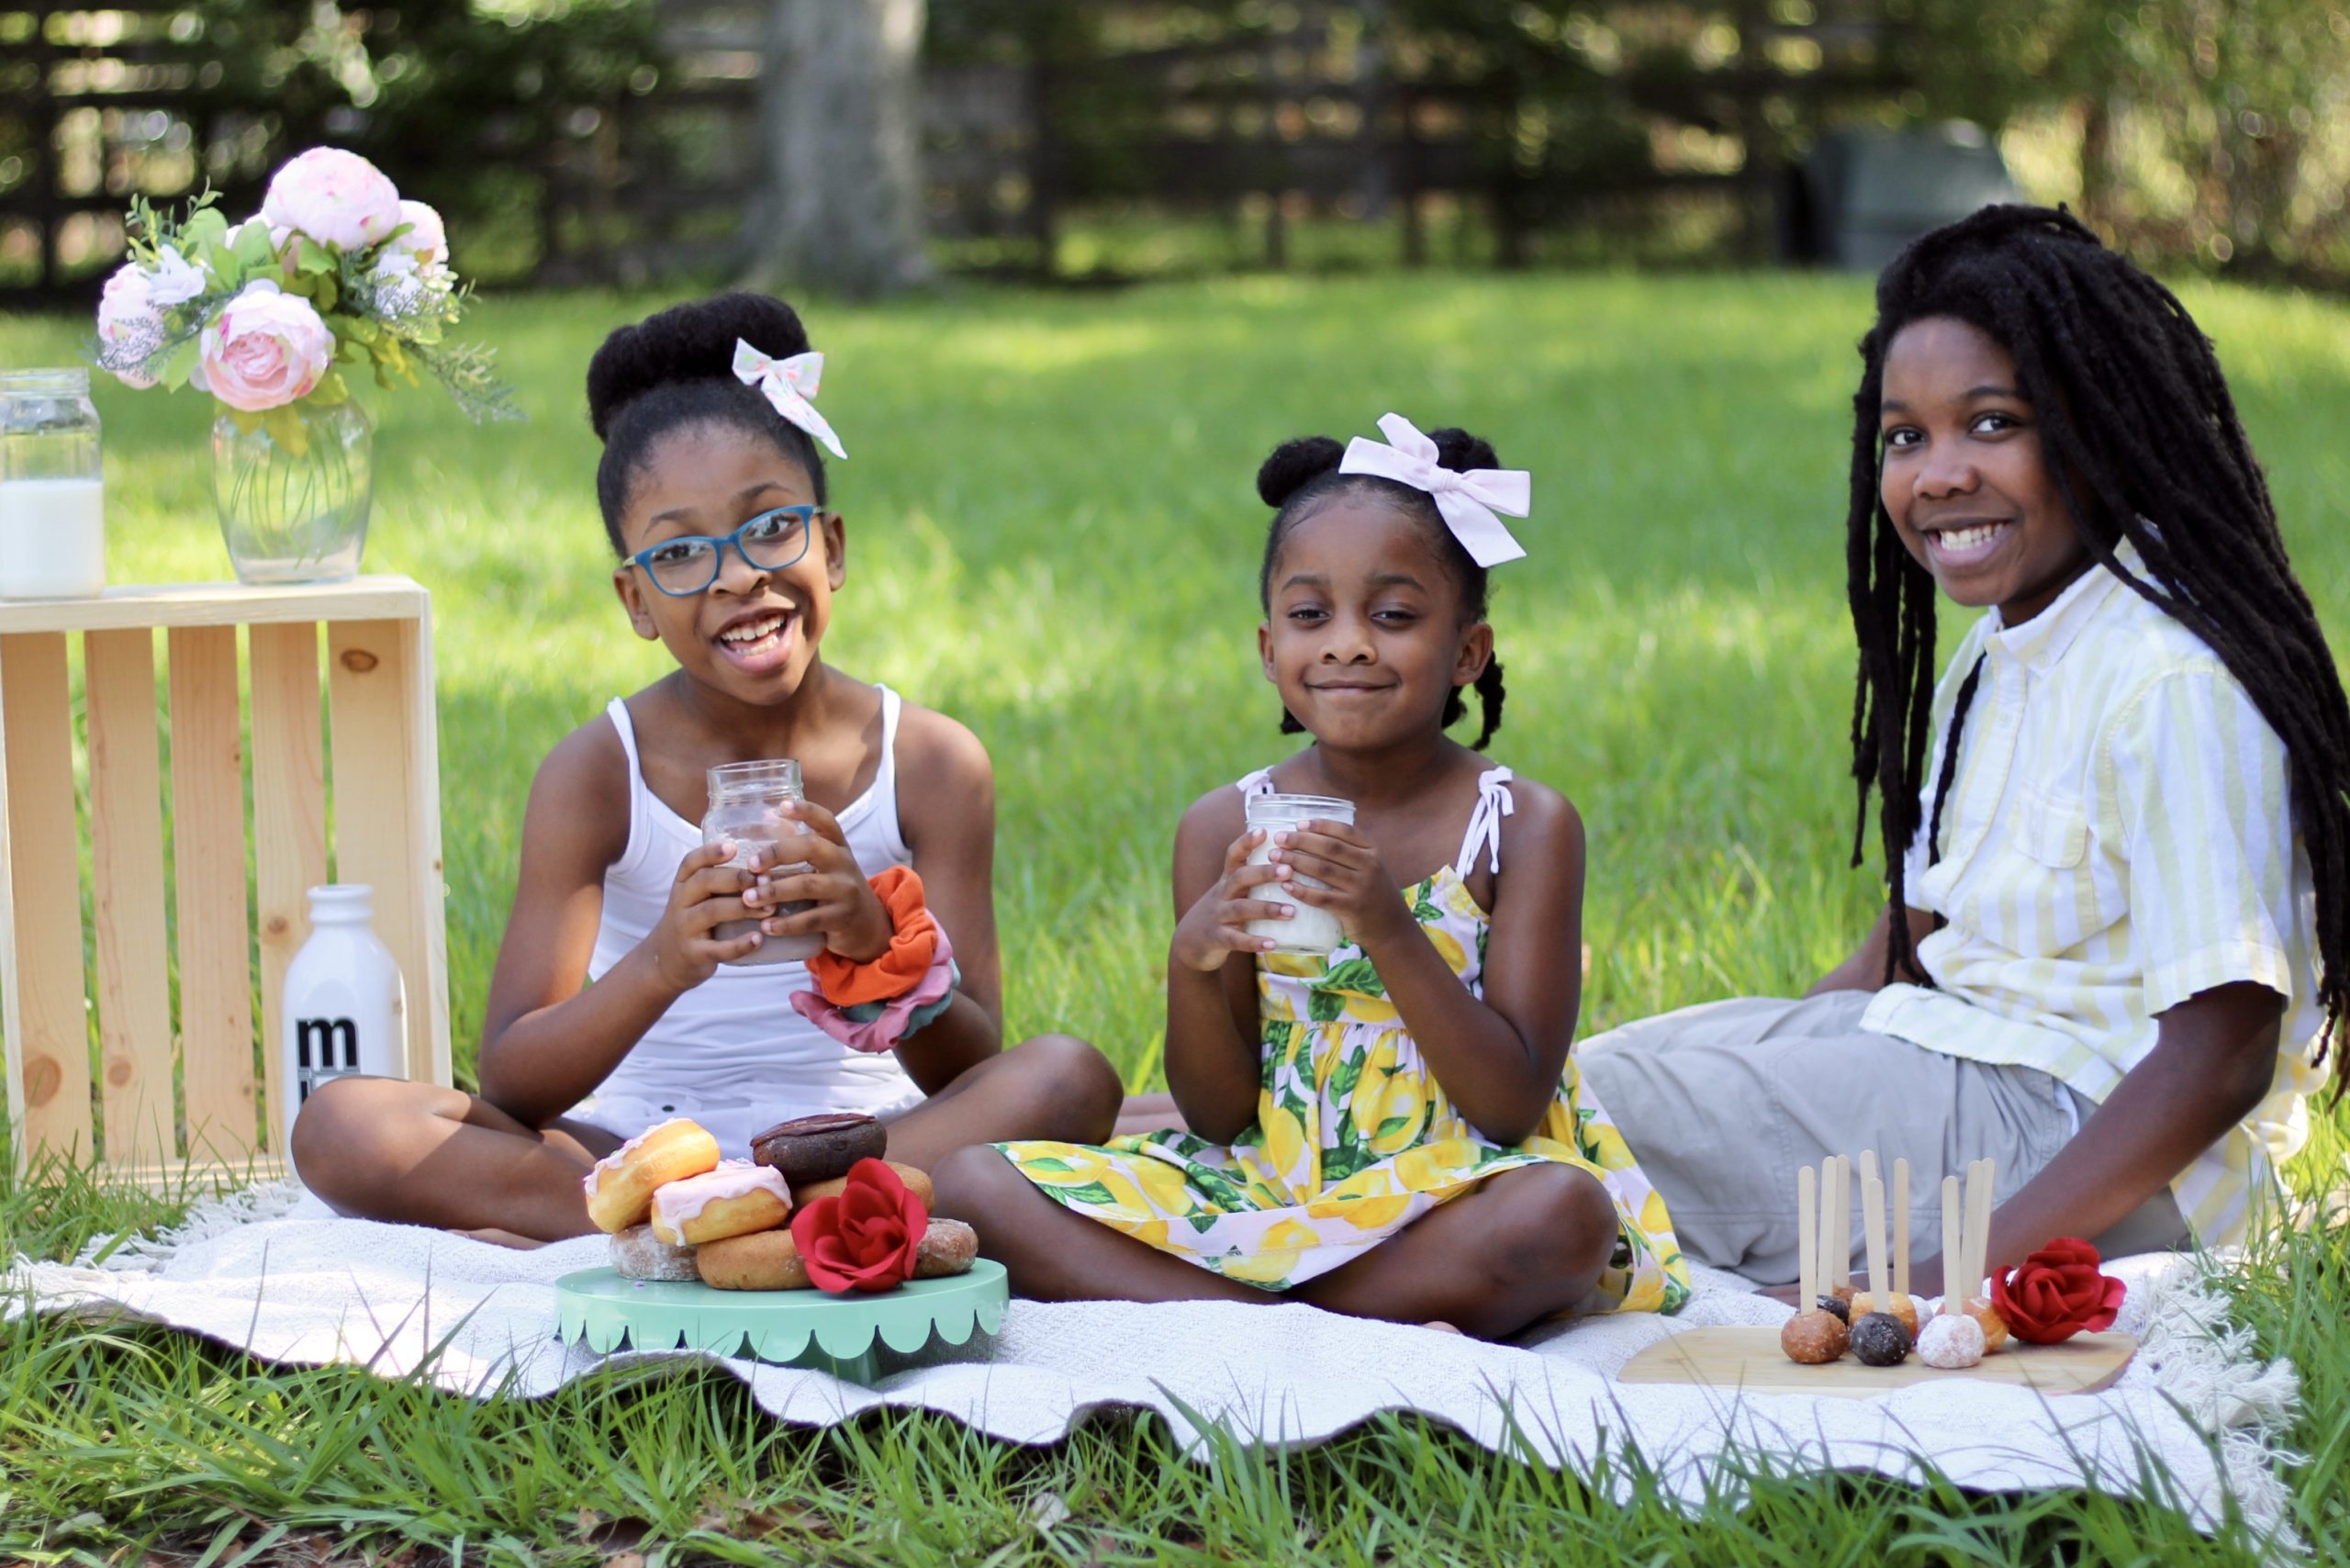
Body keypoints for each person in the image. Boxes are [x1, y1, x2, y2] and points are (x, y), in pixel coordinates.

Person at [1579, 206, 2350, 1293]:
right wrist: (1781, 1055)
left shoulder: (2172, 681)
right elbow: (1914, 936)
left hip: (2086, 1146)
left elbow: (2218, 1057)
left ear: (2104, 423)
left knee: (1574, 1136)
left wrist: (1949, 1276)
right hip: (1945, 1060)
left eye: (1992, 424)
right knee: (1577, 1085)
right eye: (1906, 436)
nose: (1937, 474)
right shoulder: (1998, 646)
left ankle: (1295, 1263)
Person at [294, 292, 1122, 1240]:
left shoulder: (929, 761)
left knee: (1067, 1077)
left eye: (771, 528)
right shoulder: (598, 772)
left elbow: (978, 1067)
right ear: (635, 599)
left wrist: (874, 946)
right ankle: (750, 1222)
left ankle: (717, 1226)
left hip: (869, 1138)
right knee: (342, 1125)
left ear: (833, 545)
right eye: (681, 552)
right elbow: (514, 1082)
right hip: (627, 1148)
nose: (735, 575)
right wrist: (662, 963)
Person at [931, 415, 1693, 1338]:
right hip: (1274, 1181)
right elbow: (1216, 1112)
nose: (1346, 644)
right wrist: (1194, 958)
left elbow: (1507, 1105)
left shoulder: (1520, 824)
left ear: (1467, 652)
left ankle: (1238, 1315)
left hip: (1452, 1189)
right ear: (1267, 650)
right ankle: (1305, 1317)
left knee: (1564, 1218)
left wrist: (1385, 923)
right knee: (972, 1181)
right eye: (1309, 614)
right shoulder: (1222, 826)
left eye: (1394, 615)